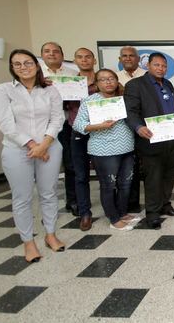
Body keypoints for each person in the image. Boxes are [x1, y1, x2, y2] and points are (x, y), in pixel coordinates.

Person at [0, 49, 66, 263]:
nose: (23, 67)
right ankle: (28, 242)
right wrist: (33, 145)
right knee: (22, 197)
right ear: (12, 68)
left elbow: (57, 118)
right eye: (17, 64)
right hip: (17, 150)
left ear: (36, 65)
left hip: (50, 146)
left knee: (49, 193)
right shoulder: (4, 90)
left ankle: (51, 235)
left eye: (27, 63)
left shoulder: (50, 91)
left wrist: (44, 144)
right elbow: (6, 123)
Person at [73, 69, 138, 231]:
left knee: (125, 184)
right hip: (103, 151)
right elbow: (78, 124)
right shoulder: (90, 101)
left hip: (127, 148)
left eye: (111, 78)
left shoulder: (123, 99)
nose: (108, 82)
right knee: (108, 185)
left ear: (117, 81)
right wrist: (99, 126)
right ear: (96, 84)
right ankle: (114, 218)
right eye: (102, 80)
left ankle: (122, 213)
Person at [124, 53, 174, 229]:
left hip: (171, 138)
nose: (160, 69)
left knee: (170, 174)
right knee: (153, 177)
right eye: (156, 65)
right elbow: (130, 111)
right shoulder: (135, 85)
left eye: (164, 66)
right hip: (150, 138)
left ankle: (166, 205)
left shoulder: (168, 84)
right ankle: (152, 213)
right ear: (148, 66)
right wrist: (138, 127)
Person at [40, 41, 78, 216]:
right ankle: (48, 206)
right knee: (45, 165)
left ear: (62, 55)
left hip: (68, 123)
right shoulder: (36, 76)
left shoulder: (73, 74)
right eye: (47, 52)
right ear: (42, 56)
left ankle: (72, 200)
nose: (52, 54)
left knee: (71, 164)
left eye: (56, 51)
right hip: (44, 126)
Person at [68, 48, 98, 231]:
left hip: (103, 132)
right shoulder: (69, 83)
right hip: (78, 132)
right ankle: (85, 213)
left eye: (88, 57)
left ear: (94, 60)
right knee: (80, 175)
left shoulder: (104, 81)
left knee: (107, 174)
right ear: (75, 60)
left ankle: (114, 209)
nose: (84, 60)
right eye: (80, 57)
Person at [115, 45, 145, 213]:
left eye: (131, 55)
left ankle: (136, 202)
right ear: (120, 59)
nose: (128, 58)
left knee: (141, 165)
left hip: (144, 127)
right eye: (124, 56)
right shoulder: (114, 78)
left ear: (138, 58)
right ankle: (122, 204)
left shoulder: (146, 77)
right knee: (123, 167)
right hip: (119, 128)